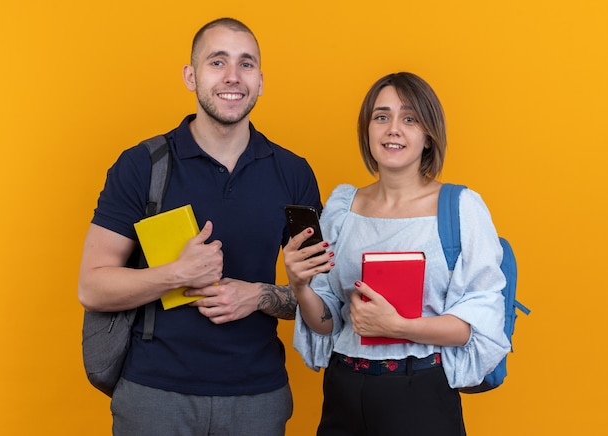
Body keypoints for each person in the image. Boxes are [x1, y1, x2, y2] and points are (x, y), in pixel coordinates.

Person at [78, 17, 322, 435]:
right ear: (191, 76)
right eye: (217, 62)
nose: (232, 76)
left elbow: (322, 302)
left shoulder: (293, 173)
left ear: (261, 81)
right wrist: (176, 274)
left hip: (258, 399)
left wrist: (259, 295)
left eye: (246, 64)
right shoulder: (141, 166)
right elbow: (92, 287)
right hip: (153, 396)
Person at [283, 72, 511, 435]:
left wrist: (400, 327)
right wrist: (300, 287)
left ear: (428, 135)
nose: (393, 129)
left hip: (420, 392)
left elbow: (480, 322)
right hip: (344, 388)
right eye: (381, 116)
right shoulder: (343, 207)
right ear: (367, 130)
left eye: (409, 118)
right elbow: (327, 324)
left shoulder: (460, 208)